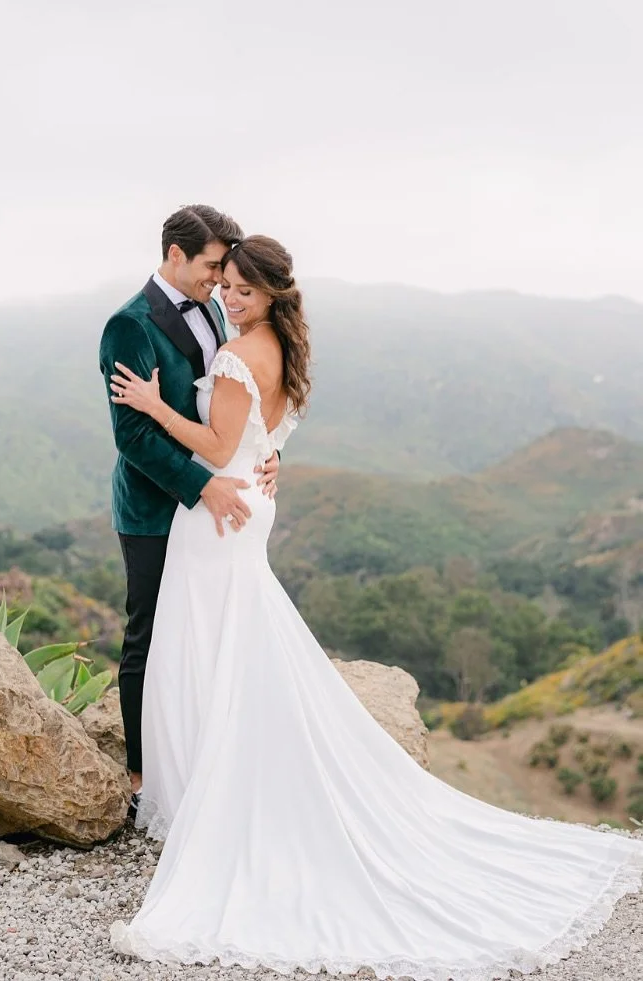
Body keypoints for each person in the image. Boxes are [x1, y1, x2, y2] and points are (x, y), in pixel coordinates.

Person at [107, 234, 643, 979]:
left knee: (207, 647)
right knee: (231, 645)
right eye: (224, 284)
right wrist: (264, 456)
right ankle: (214, 783)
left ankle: (221, 794)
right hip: (244, 508)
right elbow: (266, 433)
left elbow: (218, 436)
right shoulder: (282, 352)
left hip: (219, 515)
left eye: (243, 291)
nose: (229, 298)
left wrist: (155, 405)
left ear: (270, 297)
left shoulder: (237, 355)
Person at [99, 206, 280, 815]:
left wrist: (266, 450)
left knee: (203, 636)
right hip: (156, 506)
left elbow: (236, 401)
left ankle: (203, 761)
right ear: (175, 255)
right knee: (148, 636)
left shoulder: (211, 308)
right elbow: (134, 438)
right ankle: (141, 779)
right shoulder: (129, 326)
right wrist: (204, 486)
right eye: (211, 267)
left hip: (217, 500)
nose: (219, 281)